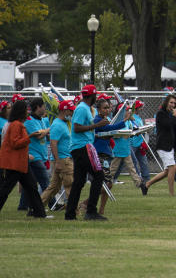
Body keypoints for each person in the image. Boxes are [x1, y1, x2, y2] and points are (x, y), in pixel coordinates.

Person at [0, 100, 49, 219]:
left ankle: (40, 213)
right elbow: (15, 143)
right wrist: (29, 137)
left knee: (32, 187)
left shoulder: (17, 124)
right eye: (26, 110)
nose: (27, 112)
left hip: (20, 163)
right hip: (13, 163)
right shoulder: (16, 125)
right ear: (21, 111)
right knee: (5, 189)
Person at [64, 84, 108, 221]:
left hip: (79, 147)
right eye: (95, 95)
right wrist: (96, 125)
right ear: (92, 96)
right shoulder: (83, 108)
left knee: (79, 181)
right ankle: (91, 211)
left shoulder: (85, 108)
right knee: (99, 176)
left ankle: (70, 213)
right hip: (83, 147)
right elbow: (76, 128)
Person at [144, 94, 176, 196]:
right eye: (171, 102)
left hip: (170, 146)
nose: (173, 105)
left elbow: (173, 129)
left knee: (166, 171)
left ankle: (147, 184)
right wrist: (174, 115)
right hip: (163, 145)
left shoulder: (170, 114)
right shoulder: (161, 113)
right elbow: (167, 125)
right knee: (173, 168)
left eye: (174, 103)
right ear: (166, 102)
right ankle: (171, 193)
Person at [40, 100, 74, 210]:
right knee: (70, 185)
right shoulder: (57, 125)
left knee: (54, 187)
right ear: (64, 111)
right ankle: (73, 210)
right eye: (71, 111)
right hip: (63, 160)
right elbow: (53, 143)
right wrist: (58, 161)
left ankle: (38, 207)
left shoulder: (64, 123)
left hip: (63, 159)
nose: (72, 114)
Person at [18, 98, 51, 211]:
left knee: (30, 184)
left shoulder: (40, 120)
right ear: (37, 107)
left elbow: (44, 134)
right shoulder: (30, 120)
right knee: (45, 182)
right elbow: (39, 135)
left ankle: (23, 206)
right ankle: (52, 204)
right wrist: (49, 129)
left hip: (40, 155)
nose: (45, 109)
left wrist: (47, 132)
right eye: (43, 106)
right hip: (33, 156)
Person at [108, 102, 143, 191]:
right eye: (127, 110)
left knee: (132, 168)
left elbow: (132, 130)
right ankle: (106, 183)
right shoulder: (116, 122)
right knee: (113, 169)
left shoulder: (128, 122)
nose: (129, 112)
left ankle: (139, 183)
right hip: (118, 149)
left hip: (126, 149)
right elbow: (114, 134)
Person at [128, 100, 151, 187]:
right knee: (133, 162)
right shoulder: (131, 117)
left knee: (143, 161)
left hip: (140, 143)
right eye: (140, 107)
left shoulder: (138, 117)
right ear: (136, 108)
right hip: (132, 143)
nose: (141, 109)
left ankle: (146, 179)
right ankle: (138, 179)